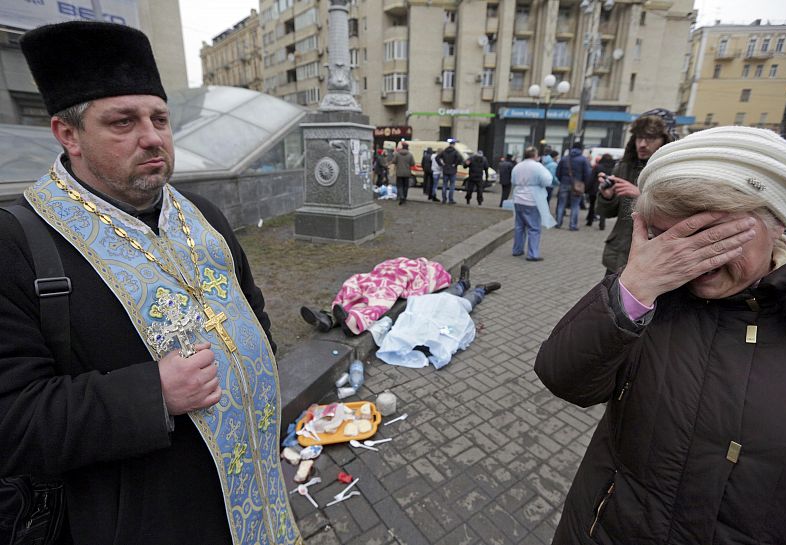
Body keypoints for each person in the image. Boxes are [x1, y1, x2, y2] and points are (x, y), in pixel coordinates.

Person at [0, 21, 301, 545]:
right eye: (122, 122)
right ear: (68, 135)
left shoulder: (202, 214)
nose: (152, 137)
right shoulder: (16, 243)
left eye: (160, 118)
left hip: (253, 496)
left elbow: (252, 310)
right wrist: (152, 394)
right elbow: (12, 421)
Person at [534, 126, 786, 544]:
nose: (692, 260)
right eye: (664, 238)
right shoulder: (655, 298)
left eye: (714, 236)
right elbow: (565, 378)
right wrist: (632, 290)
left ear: (778, 223)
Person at [597, 108, 678, 274]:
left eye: (651, 138)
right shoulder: (624, 167)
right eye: (639, 137)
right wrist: (607, 197)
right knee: (612, 300)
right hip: (618, 256)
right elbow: (607, 213)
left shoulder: (675, 172)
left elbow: (679, 217)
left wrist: (642, 197)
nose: (642, 144)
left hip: (653, 261)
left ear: (666, 140)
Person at [376, 268, 501, 370]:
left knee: (452, 292)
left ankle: (463, 282)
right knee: (468, 302)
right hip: (451, 309)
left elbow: (401, 326)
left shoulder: (408, 331)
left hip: (434, 302)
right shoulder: (440, 336)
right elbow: (453, 332)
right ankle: (481, 289)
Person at [300, 257, 453, 336]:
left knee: (380, 296)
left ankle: (350, 321)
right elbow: (389, 265)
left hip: (394, 281)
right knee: (358, 282)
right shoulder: (410, 263)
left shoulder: (431, 269)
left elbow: (434, 280)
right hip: (383, 275)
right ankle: (329, 318)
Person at [511, 147, 556, 261]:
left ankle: (517, 249)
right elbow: (547, 180)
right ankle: (533, 254)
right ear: (535, 155)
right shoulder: (538, 166)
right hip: (532, 199)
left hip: (518, 198)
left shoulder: (518, 166)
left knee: (519, 226)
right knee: (534, 228)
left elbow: (513, 180)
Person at [555, 140, 592, 231]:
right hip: (577, 185)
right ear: (581, 149)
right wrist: (584, 183)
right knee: (575, 205)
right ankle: (573, 225)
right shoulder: (583, 160)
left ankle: (558, 223)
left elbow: (557, 172)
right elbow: (588, 174)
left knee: (561, 204)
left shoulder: (564, 158)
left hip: (564, 183)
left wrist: (562, 180)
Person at [587, 153, 616, 230]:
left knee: (592, 205)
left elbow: (591, 178)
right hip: (606, 189)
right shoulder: (614, 168)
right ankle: (602, 224)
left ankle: (589, 221)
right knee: (603, 206)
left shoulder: (597, 167)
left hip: (595, 189)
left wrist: (587, 188)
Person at [436, 138, 464, 205]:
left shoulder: (444, 151)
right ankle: (450, 199)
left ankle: (444, 199)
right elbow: (460, 159)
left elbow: (437, 158)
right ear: (454, 144)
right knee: (452, 186)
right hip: (453, 170)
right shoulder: (455, 152)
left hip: (445, 169)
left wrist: (442, 164)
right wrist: (455, 164)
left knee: (444, 185)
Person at [390, 141, 415, 205]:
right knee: (406, 186)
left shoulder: (397, 154)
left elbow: (393, 161)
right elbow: (413, 163)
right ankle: (404, 197)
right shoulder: (410, 155)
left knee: (400, 186)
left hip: (399, 172)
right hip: (407, 173)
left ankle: (401, 196)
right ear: (407, 148)